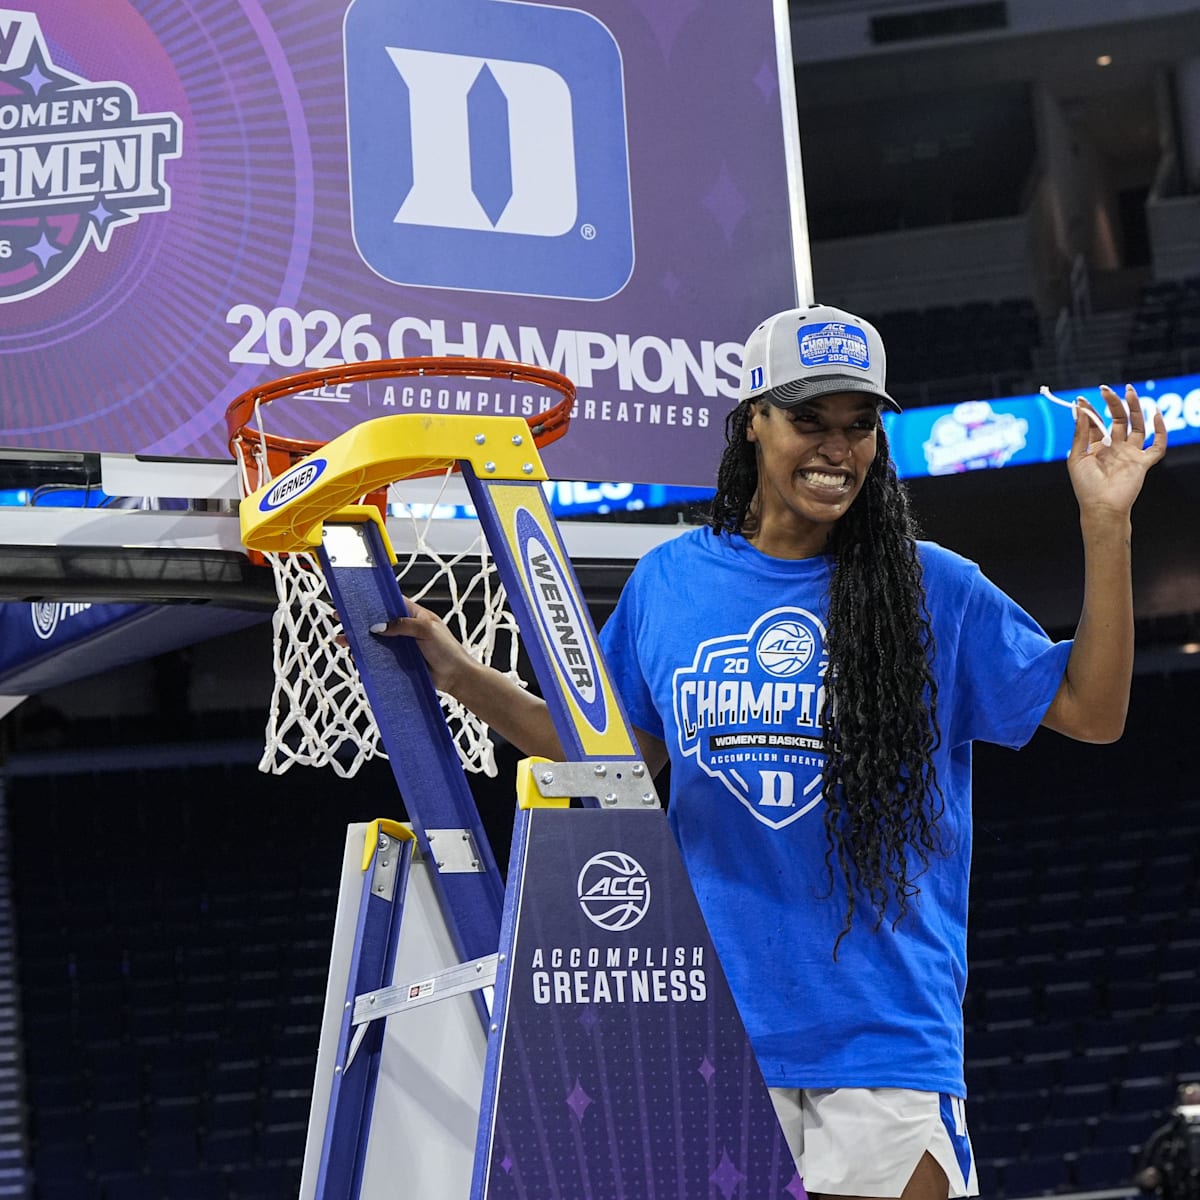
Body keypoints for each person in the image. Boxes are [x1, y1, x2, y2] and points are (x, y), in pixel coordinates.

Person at [372, 303, 1167, 1200]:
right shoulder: (671, 581)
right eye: (809, 419)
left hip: (883, 1042)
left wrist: (1106, 524)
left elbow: (1092, 711)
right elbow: (605, 756)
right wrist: (461, 675)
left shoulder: (934, 587)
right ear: (753, 420)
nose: (838, 448)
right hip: (711, 1031)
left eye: (859, 425)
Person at [1135, 1081, 1200, 1200]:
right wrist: (1149, 1178)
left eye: (1198, 1103)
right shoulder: (1164, 1138)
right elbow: (1143, 1179)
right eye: (1190, 1103)